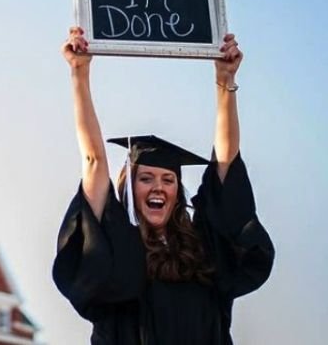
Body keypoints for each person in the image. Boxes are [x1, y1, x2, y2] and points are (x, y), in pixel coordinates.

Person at [52, 27, 275, 345]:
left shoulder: (203, 251)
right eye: (146, 178)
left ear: (176, 192)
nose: (158, 187)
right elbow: (94, 161)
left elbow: (225, 166)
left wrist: (225, 82)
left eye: (168, 180)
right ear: (129, 189)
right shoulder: (118, 253)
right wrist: (79, 73)